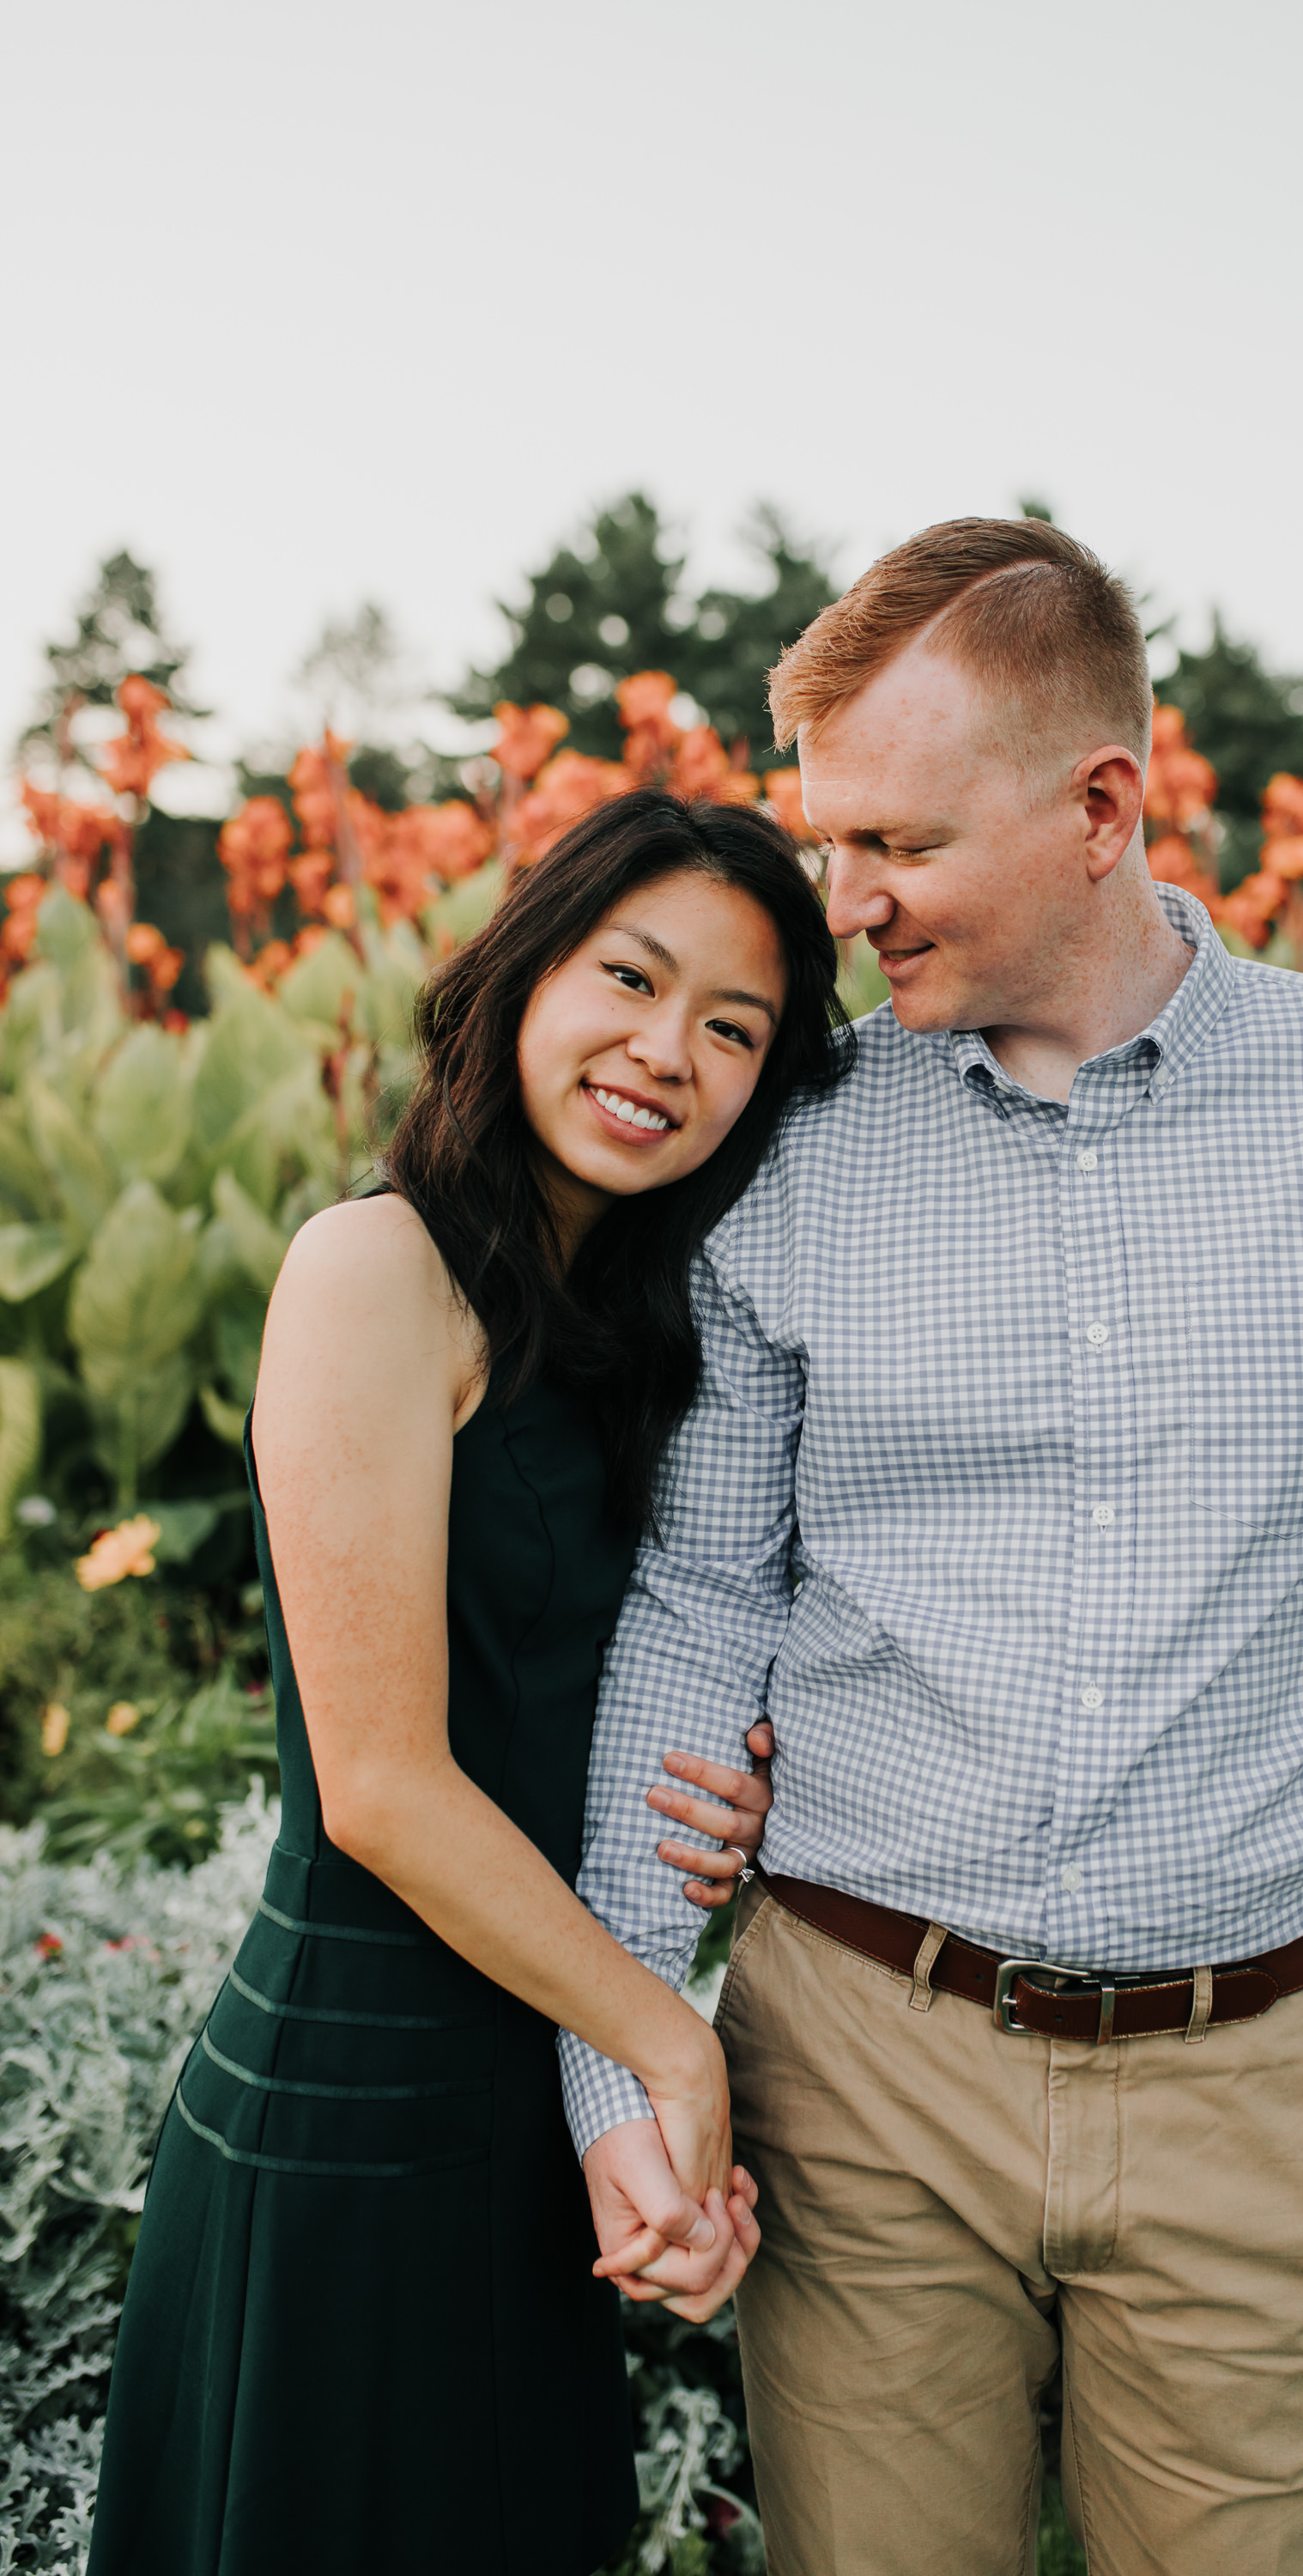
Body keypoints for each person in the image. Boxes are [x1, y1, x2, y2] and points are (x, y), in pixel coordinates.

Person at [562, 520, 1303, 2576]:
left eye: (895, 847)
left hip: (1261, 2090)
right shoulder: (799, 1141)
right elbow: (703, 1599)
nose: (837, 905)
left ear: (1100, 807)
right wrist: (623, 2049)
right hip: (857, 2069)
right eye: (825, 840)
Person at [87, 787, 850, 2576]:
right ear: (522, 971)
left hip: (532, 2103)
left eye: (733, 1031)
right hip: (353, 2115)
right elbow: (384, 1785)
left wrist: (739, 1791)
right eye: (630, 979)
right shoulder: (376, 1272)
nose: (669, 1052)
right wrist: (669, 2043)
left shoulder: (627, 1333)